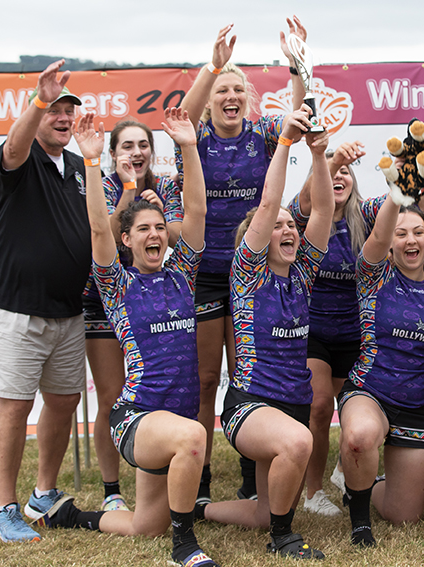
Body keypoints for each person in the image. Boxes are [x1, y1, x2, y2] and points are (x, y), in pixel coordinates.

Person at [47, 107, 217, 567]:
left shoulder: (183, 274)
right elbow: (97, 227)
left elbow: (197, 211)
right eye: (143, 229)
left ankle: (72, 517)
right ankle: (185, 547)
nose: (154, 234)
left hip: (172, 425)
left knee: (146, 525)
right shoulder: (117, 285)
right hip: (137, 420)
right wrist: (90, 160)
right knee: (195, 436)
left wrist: (188, 146)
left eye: (160, 227)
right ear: (127, 240)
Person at [178, 19, 306, 504]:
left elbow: (298, 116)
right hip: (206, 275)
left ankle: (254, 478)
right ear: (212, 100)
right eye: (221, 91)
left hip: (254, 276)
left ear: (248, 101)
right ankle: (201, 480)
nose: (230, 97)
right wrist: (213, 68)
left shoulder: (263, 133)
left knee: (251, 374)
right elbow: (183, 116)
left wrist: (296, 63)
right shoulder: (197, 138)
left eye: (237, 90)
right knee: (206, 379)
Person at [198, 107, 330, 559]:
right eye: (277, 227)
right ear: (255, 239)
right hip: (249, 407)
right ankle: (283, 538)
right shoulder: (247, 274)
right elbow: (270, 202)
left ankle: (199, 509)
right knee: (299, 442)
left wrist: (319, 156)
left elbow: (323, 209)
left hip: (293, 405)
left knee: (260, 510)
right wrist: (286, 142)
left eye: (291, 225)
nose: (287, 228)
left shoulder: (303, 274)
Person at [0, 60, 90, 543]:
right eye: (53, 110)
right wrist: (39, 99)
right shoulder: (21, 159)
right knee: (15, 406)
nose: (63, 117)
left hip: (67, 310)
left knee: (63, 401)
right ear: (38, 113)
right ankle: (4, 508)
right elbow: (14, 146)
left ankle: (43, 494)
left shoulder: (78, 167)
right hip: (16, 307)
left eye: (68, 110)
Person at [83, 118, 183, 512]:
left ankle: (161, 477)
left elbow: (181, 234)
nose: (136, 152)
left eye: (143, 144)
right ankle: (112, 490)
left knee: (158, 391)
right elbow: (105, 233)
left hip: (156, 301)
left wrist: (158, 216)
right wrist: (129, 191)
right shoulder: (105, 185)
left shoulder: (166, 186)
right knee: (111, 396)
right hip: (106, 300)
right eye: (127, 146)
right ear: (112, 153)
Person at [339, 195, 424, 547]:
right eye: (401, 234)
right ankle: (360, 523)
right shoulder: (374, 275)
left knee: (405, 515)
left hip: (416, 405)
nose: (410, 240)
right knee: (360, 436)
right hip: (370, 391)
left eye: (417, 232)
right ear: (389, 242)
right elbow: (378, 237)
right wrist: (397, 195)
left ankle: (358, 483)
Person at [288, 142, 369, 516]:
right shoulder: (302, 220)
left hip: (355, 335)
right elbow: (307, 197)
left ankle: (344, 473)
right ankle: (312, 492)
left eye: (345, 172)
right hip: (312, 333)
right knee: (319, 406)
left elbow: (397, 214)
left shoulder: (364, 219)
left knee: (357, 413)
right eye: (332, 172)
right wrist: (332, 161)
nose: (339, 176)